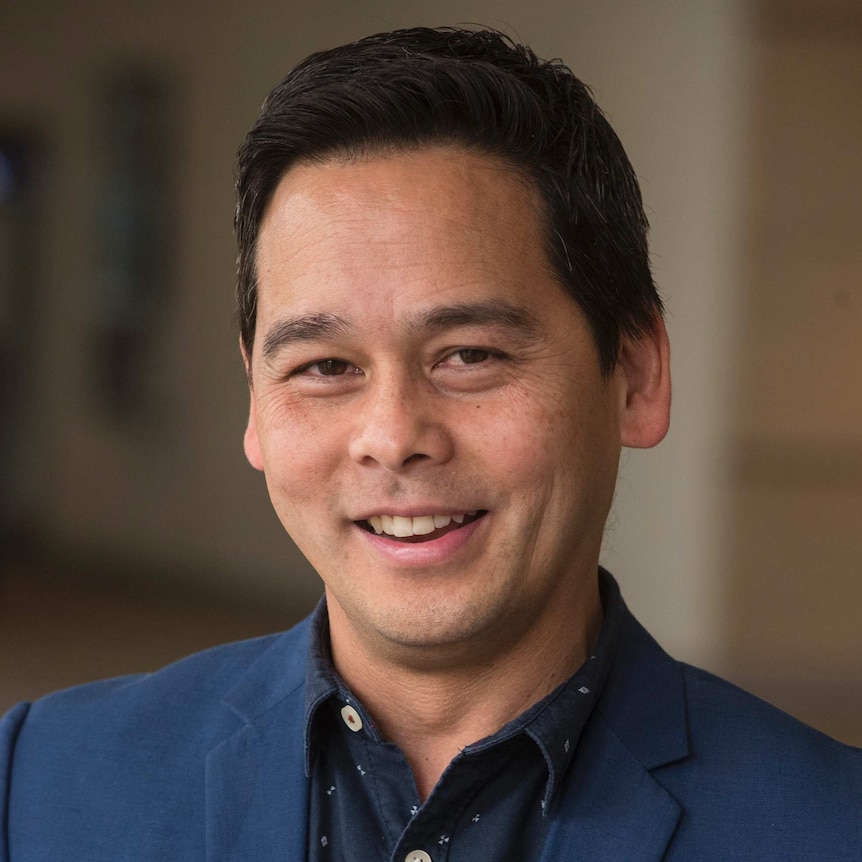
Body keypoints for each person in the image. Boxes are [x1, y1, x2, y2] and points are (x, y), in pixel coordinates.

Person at [1, 26, 860, 862]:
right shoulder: (41, 782)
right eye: (326, 365)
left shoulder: (826, 829)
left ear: (636, 374)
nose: (393, 438)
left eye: (470, 356)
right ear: (256, 403)